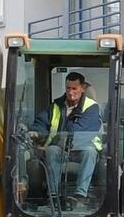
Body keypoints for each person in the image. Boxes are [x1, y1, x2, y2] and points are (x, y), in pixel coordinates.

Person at [25, 71, 103, 209]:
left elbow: (79, 131)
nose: (71, 92)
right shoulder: (56, 105)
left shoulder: (92, 108)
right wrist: (37, 133)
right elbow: (41, 122)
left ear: (82, 88)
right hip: (61, 150)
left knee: (90, 152)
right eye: (68, 88)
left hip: (81, 149)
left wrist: (62, 138)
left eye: (74, 88)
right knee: (52, 150)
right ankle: (53, 196)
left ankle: (80, 196)